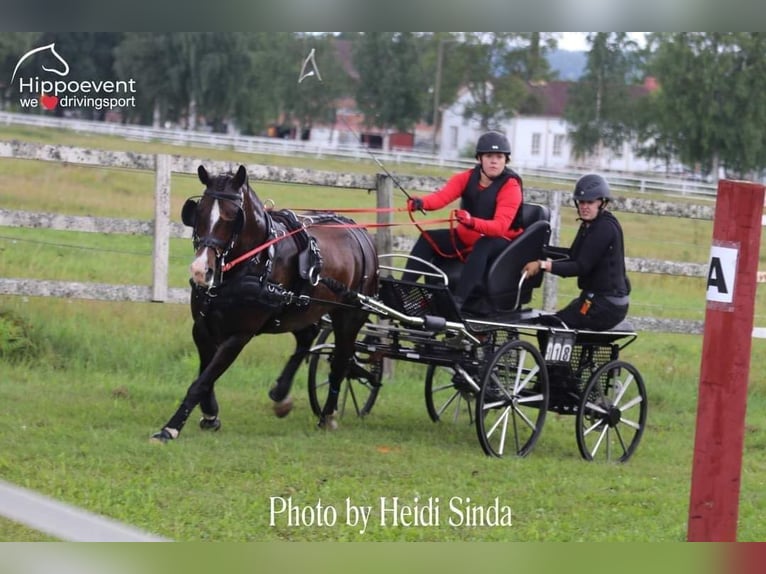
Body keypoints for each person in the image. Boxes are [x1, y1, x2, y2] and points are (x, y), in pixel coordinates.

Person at [401, 131, 524, 310]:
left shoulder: (511, 186)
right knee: (428, 237)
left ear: (506, 160)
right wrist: (421, 203)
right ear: (479, 159)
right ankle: (403, 290)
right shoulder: (466, 178)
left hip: (501, 242)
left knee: (483, 244)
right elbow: (441, 197)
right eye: (489, 156)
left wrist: (471, 221)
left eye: (499, 157)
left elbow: (499, 227)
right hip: (467, 237)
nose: (494, 161)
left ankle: (458, 301)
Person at [522, 173, 630, 331]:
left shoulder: (604, 228)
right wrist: (542, 250)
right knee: (553, 321)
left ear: (602, 203)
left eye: (590, 202)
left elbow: (580, 266)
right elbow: (572, 255)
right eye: (581, 202)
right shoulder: (589, 224)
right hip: (594, 299)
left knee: (554, 325)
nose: (584, 207)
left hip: (605, 305)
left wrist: (542, 265)